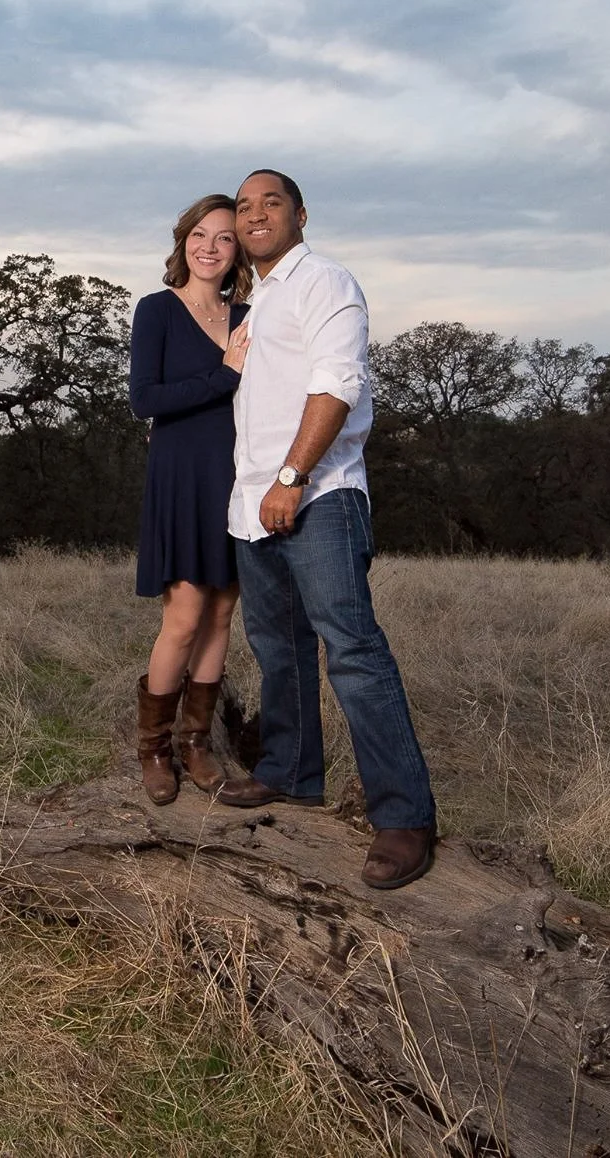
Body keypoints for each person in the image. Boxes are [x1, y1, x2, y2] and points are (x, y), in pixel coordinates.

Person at [213, 169, 439, 890]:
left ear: (300, 215)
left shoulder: (325, 282)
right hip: (253, 506)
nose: (255, 215)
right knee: (277, 648)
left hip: (316, 497)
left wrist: (291, 478)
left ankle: (403, 818)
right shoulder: (254, 303)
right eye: (244, 206)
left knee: (352, 650)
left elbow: (338, 383)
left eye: (270, 203)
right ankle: (291, 772)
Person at [127, 193, 253, 805]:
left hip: (238, 476)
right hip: (182, 475)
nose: (209, 246)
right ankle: (153, 748)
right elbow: (144, 400)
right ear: (184, 242)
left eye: (224, 238)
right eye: (200, 234)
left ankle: (197, 743)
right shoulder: (157, 310)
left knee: (224, 611)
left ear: (238, 252)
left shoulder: (249, 315)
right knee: (184, 614)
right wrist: (225, 374)